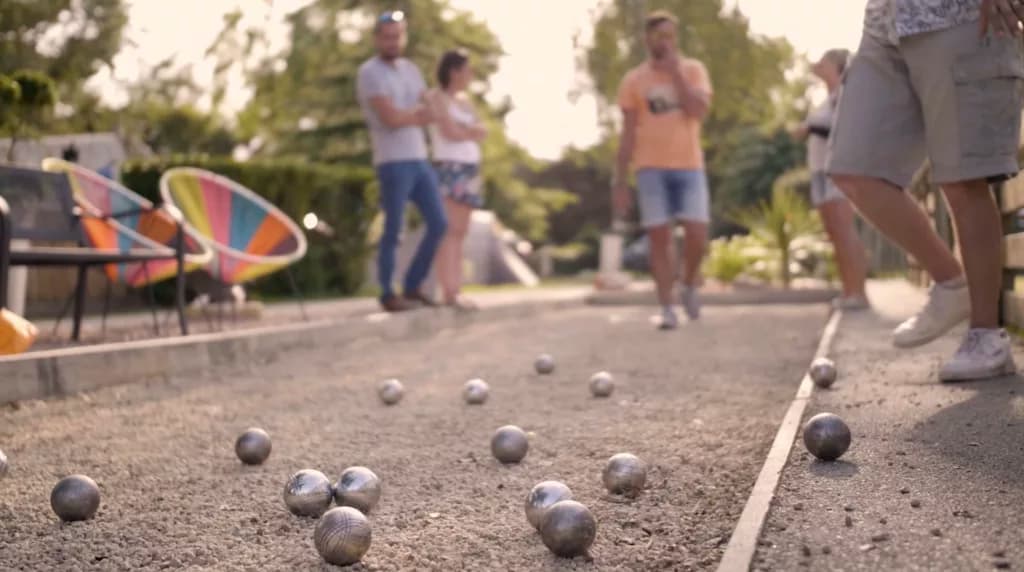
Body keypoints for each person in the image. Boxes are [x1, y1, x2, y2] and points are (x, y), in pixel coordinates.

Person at [828, 0, 1023, 381]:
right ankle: (952, 283)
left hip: (961, 16)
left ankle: (986, 337)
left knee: (963, 177)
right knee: (854, 171)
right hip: (885, 23)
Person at [612, 10, 713, 330]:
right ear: (648, 39)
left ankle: (689, 283)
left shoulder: (693, 70)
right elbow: (628, 133)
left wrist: (675, 74)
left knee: (697, 233)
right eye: (659, 36)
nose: (665, 42)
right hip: (649, 168)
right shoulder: (633, 81)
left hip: (689, 166)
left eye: (670, 35)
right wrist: (620, 181)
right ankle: (667, 307)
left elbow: (697, 110)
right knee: (659, 237)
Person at [356, 10, 448, 312]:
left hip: (419, 158)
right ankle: (387, 293)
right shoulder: (370, 72)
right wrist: (418, 115)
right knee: (394, 228)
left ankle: (413, 286)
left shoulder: (411, 69)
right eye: (387, 37)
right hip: (392, 161)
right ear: (377, 39)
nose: (393, 42)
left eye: (397, 36)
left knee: (439, 223)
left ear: (403, 37)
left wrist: (418, 114)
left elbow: (431, 107)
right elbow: (390, 118)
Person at [791, 49, 870, 310]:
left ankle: (859, 292)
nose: (818, 64)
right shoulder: (825, 100)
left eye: (823, 62)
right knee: (834, 233)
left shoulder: (844, 96)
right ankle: (848, 291)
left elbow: (841, 129)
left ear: (837, 66)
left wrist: (809, 128)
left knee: (844, 229)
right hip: (818, 170)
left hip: (837, 170)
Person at [425, 49, 487, 311]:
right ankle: (448, 291)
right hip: (449, 167)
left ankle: (457, 289)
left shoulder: (465, 101)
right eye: (467, 70)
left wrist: (466, 131)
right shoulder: (436, 97)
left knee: (461, 231)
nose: (471, 75)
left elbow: (482, 130)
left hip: (470, 169)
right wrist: (468, 131)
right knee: (449, 230)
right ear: (454, 71)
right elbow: (448, 131)